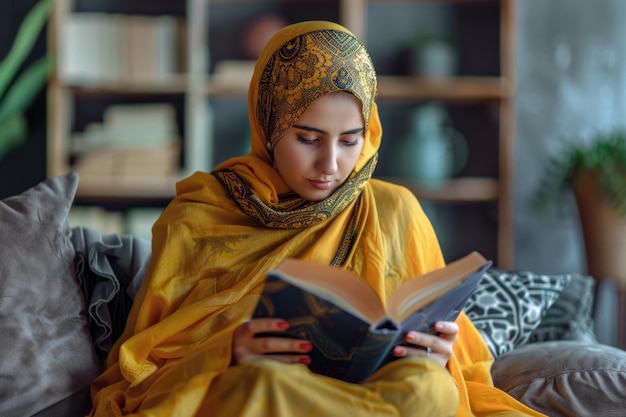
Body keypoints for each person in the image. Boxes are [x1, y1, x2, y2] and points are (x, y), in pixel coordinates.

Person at [89, 20, 546, 417]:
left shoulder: (393, 210)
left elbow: (461, 367)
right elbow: (139, 375)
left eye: (350, 141)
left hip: (367, 393)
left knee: (429, 390)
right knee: (260, 387)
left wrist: (440, 353)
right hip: (261, 389)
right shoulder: (197, 218)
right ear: (268, 126)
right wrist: (226, 350)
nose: (330, 164)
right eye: (308, 138)